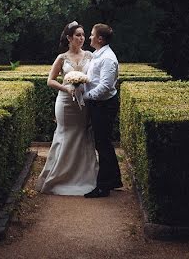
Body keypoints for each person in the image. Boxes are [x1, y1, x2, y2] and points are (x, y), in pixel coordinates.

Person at [35, 21, 100, 195]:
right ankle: (59, 176)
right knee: (65, 133)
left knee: (83, 133)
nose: (82, 38)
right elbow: (50, 80)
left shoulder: (90, 56)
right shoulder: (61, 58)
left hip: (84, 102)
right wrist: (66, 88)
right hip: (65, 102)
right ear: (69, 38)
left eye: (83, 35)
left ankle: (84, 177)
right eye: (78, 35)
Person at [82, 23, 123, 198]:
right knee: (104, 143)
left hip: (104, 105)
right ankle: (114, 180)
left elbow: (105, 86)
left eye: (92, 35)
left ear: (100, 39)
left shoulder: (107, 58)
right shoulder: (99, 55)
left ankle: (103, 186)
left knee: (102, 144)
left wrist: (87, 97)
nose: (90, 37)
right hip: (99, 103)